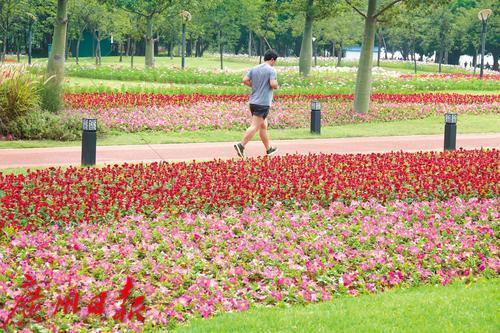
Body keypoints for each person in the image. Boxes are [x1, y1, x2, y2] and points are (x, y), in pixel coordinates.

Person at [234, 49, 279, 158]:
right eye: (275, 61)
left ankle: (268, 149)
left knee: (263, 126)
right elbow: (273, 84)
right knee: (255, 126)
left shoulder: (254, 68)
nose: (275, 63)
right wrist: (277, 85)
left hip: (253, 102)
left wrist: (254, 86)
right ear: (272, 59)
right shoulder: (271, 70)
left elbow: (245, 80)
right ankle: (241, 145)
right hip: (263, 103)